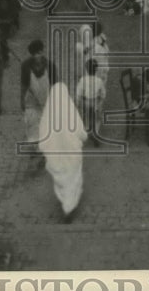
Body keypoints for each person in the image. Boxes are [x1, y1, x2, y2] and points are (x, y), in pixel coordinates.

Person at [39, 82, 88, 223]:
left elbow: (43, 133)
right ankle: (70, 205)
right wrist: (83, 137)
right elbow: (81, 131)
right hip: (72, 154)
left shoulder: (48, 114)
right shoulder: (70, 111)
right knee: (73, 178)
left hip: (56, 156)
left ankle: (65, 203)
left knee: (61, 179)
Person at [20, 40, 55, 166]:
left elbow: (23, 86)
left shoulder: (25, 65)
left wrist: (21, 100)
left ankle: (35, 150)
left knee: (32, 125)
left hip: (32, 100)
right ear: (41, 50)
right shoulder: (50, 64)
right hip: (43, 99)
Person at [74, 59, 105, 145]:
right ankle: (95, 133)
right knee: (97, 118)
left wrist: (78, 104)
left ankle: (86, 130)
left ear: (86, 69)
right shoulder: (99, 80)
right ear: (96, 70)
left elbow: (78, 93)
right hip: (94, 102)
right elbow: (103, 94)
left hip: (85, 102)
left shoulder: (83, 80)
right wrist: (100, 103)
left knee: (85, 117)